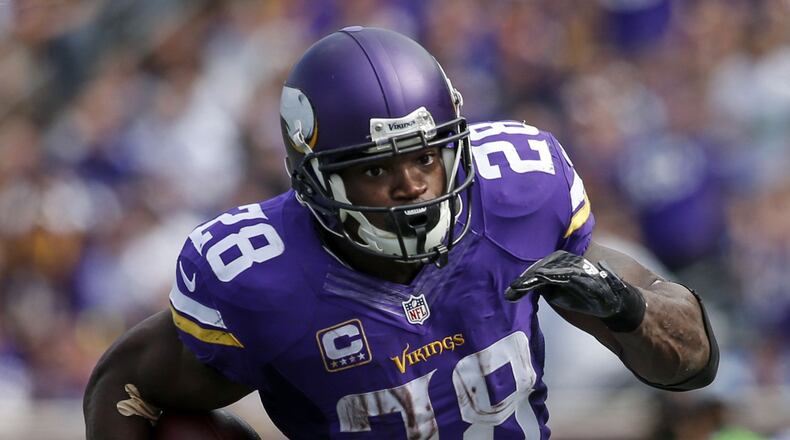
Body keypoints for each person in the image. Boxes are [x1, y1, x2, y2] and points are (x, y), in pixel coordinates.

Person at [83, 26, 718, 439]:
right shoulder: (263, 277)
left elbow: (694, 366)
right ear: (315, 179)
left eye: (425, 156)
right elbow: (124, 385)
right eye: (376, 168)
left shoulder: (519, 199)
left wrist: (630, 312)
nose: (412, 185)